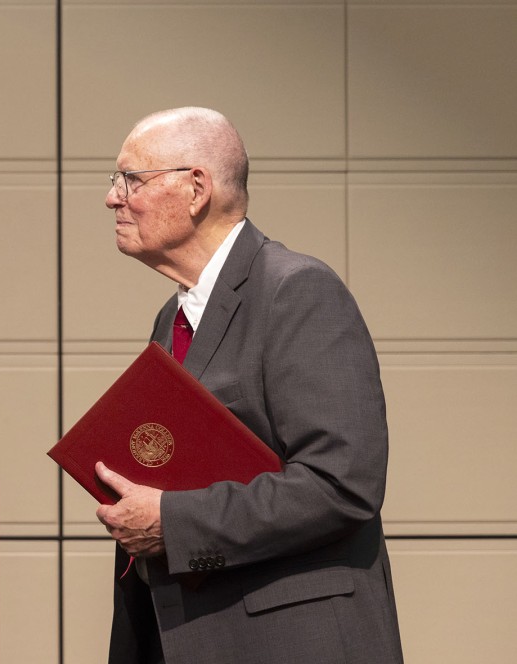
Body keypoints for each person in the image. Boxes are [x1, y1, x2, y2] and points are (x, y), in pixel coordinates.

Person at [95, 108, 402, 663]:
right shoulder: (173, 317)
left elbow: (344, 482)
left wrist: (173, 522)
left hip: (293, 642)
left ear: (195, 189)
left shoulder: (298, 291)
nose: (113, 198)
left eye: (131, 179)